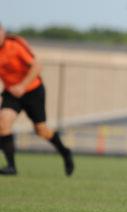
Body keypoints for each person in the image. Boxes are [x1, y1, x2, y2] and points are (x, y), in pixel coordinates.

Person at [0, 23, 74, 176]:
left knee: (41, 130)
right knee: (3, 122)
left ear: (3, 32)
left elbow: (37, 66)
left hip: (32, 90)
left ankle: (65, 152)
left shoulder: (15, 45)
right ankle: (11, 167)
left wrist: (22, 86)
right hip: (12, 92)